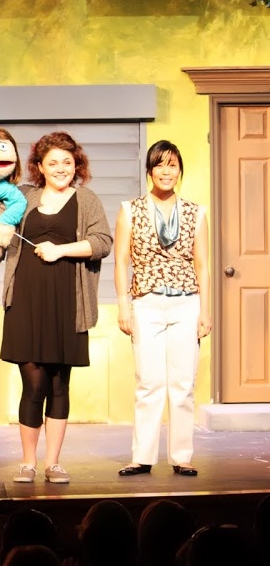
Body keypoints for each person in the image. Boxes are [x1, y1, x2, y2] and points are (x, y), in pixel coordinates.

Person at [1, 131, 113, 484]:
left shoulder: (86, 199)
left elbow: (102, 242)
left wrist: (60, 250)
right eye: (53, 163)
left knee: (59, 384)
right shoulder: (24, 196)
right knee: (32, 384)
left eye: (67, 162)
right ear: (40, 166)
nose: (61, 168)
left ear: (77, 165)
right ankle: (27, 462)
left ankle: (53, 463)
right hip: (26, 299)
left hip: (68, 300)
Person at [115, 140, 211, 478]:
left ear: (179, 170)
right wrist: (124, 306)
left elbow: (202, 265)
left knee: (183, 384)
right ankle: (142, 457)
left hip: (186, 301)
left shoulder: (196, 212)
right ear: (150, 170)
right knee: (149, 382)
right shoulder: (130, 210)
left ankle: (181, 456)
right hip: (146, 302)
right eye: (160, 165)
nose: (166, 171)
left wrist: (205, 311)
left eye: (172, 165)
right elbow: (121, 261)